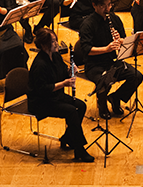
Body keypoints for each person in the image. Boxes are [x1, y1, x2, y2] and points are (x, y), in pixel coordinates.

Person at [28, 28, 95, 163]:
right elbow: (42, 89)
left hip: (55, 97)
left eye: (55, 40)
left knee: (81, 106)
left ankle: (68, 138)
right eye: (53, 41)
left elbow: (62, 74)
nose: (56, 44)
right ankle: (79, 149)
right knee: (71, 111)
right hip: (41, 102)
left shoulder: (56, 56)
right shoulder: (40, 64)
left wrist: (71, 71)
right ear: (44, 45)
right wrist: (63, 84)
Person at [78, 0, 143, 119]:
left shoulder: (114, 19)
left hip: (113, 61)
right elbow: (86, 50)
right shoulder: (87, 24)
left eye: (109, 5)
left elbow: (125, 41)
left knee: (137, 76)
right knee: (105, 81)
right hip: (94, 64)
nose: (107, 8)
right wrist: (106, 49)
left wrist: (120, 40)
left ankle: (116, 98)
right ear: (94, 6)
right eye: (103, 6)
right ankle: (102, 106)